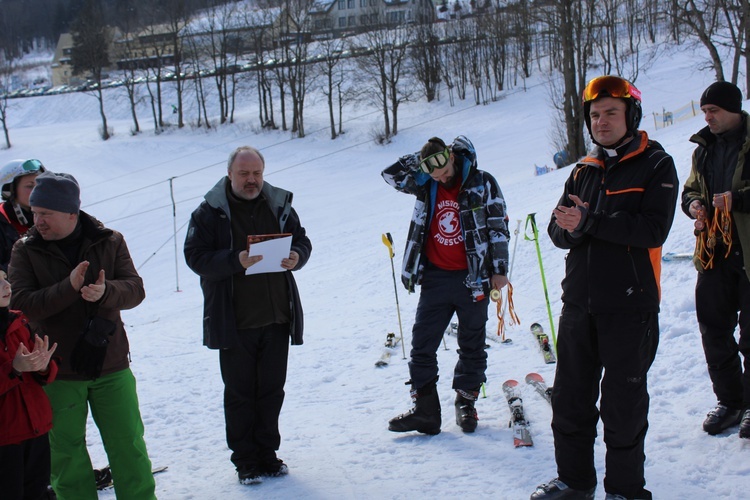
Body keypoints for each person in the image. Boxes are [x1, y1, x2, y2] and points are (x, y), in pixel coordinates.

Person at [533, 76, 678, 500]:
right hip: (579, 305)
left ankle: (625, 490)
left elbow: (654, 229)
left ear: (630, 115)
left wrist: (590, 222)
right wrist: (573, 229)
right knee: (571, 401)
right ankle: (574, 482)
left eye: (611, 112)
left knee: (623, 406)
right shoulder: (583, 170)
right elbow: (557, 230)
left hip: (629, 308)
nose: (601, 121)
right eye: (595, 115)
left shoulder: (656, 164)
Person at [8, 171, 156, 500]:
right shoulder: (26, 249)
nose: (37, 221)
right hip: (57, 371)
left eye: (45, 214)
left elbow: (135, 290)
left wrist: (105, 291)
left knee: (128, 448)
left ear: (71, 213)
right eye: (34, 213)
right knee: (65, 457)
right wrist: (69, 288)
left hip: (111, 364)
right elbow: (20, 305)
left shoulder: (110, 240)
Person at [184, 146, 311, 485]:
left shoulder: (278, 204)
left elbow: (302, 241)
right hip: (234, 320)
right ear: (230, 174)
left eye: (256, 173)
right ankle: (245, 461)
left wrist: (297, 255)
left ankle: (268, 455)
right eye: (244, 174)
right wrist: (233, 261)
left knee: (272, 390)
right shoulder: (209, 213)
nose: (251, 180)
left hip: (276, 317)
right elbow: (195, 257)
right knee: (240, 394)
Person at [381, 135, 510, 435]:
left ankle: (465, 404)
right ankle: (426, 411)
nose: (441, 178)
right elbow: (391, 175)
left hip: (474, 278)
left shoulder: (483, 182)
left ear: (452, 156)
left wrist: (500, 270)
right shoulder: (427, 184)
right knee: (422, 345)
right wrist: (424, 157)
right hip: (436, 277)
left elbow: (498, 227)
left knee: (472, 345)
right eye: (434, 173)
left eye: (444, 171)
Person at [681, 81, 750, 439]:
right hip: (714, 252)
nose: (707, 118)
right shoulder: (703, 149)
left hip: (749, 253)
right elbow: (691, 188)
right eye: (705, 112)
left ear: (733, 110)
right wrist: (694, 204)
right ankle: (731, 401)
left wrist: (737, 200)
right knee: (714, 330)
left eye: (714, 112)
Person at [0, 268, 58, 500]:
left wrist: (43, 366)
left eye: (5, 279)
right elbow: (16, 369)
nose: (7, 286)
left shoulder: (18, 321)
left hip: (36, 428)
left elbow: (40, 374)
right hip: (5, 439)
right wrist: (13, 370)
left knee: (37, 492)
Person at [0, 158, 45, 270]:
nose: (37, 189)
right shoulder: (2, 225)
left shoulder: (53, 216)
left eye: (40, 183)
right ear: (10, 190)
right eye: (30, 186)